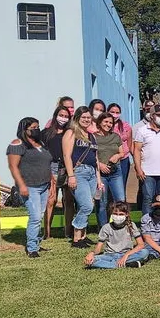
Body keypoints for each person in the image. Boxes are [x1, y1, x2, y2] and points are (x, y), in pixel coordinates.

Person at [7, 117, 53, 257]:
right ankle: (32, 248)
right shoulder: (18, 144)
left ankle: (37, 244)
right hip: (30, 186)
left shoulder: (41, 143)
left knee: (40, 215)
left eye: (37, 127)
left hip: (44, 185)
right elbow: (13, 166)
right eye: (33, 127)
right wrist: (21, 185)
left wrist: (51, 181)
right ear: (24, 129)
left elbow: (47, 163)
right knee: (35, 217)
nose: (36, 130)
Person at [62, 106, 102, 248]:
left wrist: (98, 179)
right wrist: (71, 176)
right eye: (83, 117)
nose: (86, 120)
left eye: (88, 117)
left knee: (85, 205)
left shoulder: (91, 136)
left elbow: (96, 159)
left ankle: (83, 236)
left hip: (91, 172)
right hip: (79, 172)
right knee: (86, 206)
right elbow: (67, 155)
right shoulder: (71, 133)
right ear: (77, 118)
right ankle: (76, 238)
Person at [83, 201, 150, 269]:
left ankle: (112, 265)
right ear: (111, 214)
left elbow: (141, 244)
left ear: (126, 214)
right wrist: (92, 253)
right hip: (109, 255)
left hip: (127, 254)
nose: (118, 216)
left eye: (121, 214)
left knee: (145, 252)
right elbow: (98, 248)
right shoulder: (106, 227)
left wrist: (126, 255)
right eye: (115, 214)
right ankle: (127, 264)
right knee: (92, 260)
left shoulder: (131, 225)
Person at [41, 106, 74, 239]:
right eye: (61, 115)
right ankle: (47, 233)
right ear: (55, 116)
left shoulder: (70, 132)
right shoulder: (46, 133)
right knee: (51, 200)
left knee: (69, 200)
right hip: (52, 167)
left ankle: (68, 232)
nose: (63, 118)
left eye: (66, 116)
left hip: (67, 167)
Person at [93, 113, 126, 227]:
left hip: (115, 173)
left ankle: (119, 226)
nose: (108, 124)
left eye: (111, 122)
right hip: (100, 174)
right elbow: (91, 155)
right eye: (106, 122)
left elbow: (122, 152)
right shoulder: (93, 137)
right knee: (102, 203)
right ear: (100, 122)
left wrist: (117, 156)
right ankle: (103, 228)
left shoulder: (115, 136)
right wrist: (100, 165)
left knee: (120, 200)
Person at [107, 103, 132, 192]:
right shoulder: (105, 125)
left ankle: (121, 205)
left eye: (117, 112)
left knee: (121, 186)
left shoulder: (126, 126)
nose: (115, 114)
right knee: (108, 186)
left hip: (123, 160)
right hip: (108, 160)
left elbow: (129, 143)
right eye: (112, 112)